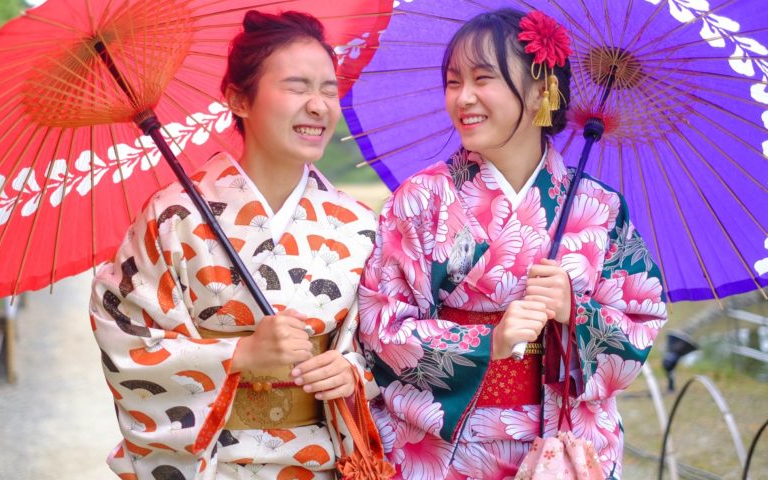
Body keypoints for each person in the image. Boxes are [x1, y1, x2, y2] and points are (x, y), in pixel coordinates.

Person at [357, 8, 667, 479]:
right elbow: (380, 329)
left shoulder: (599, 207)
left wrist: (574, 311)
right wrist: (489, 342)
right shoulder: (420, 200)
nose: (463, 97)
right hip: (448, 451)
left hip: (565, 448)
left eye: (483, 78)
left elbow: (640, 321)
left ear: (542, 90)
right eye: (453, 82)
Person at [90, 10, 380, 479]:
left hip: (318, 464)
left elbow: (391, 344)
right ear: (238, 99)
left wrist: (350, 372)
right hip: (215, 466)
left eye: (329, 90)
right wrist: (239, 356)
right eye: (297, 87)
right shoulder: (174, 218)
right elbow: (125, 333)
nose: (319, 106)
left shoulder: (359, 226)